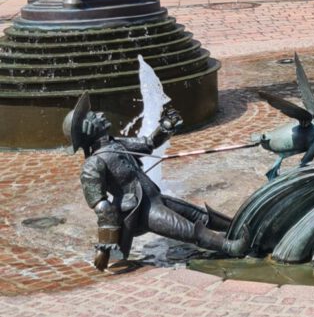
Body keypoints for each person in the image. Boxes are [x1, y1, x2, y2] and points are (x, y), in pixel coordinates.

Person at [67, 94, 248, 271]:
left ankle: (241, 226)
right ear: (87, 128)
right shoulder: (92, 165)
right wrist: (105, 247)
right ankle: (232, 247)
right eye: (94, 116)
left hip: (155, 198)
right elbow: (102, 208)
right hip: (143, 211)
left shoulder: (116, 143)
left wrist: (165, 127)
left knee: (200, 215)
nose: (100, 115)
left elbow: (148, 144)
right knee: (189, 230)